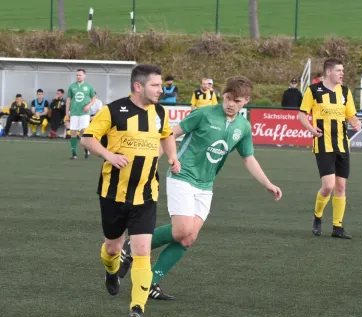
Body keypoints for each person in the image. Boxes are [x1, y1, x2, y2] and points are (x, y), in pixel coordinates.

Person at [118, 76, 283, 300]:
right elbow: (171, 135)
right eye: (227, 98)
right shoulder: (204, 113)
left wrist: (267, 183)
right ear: (222, 95)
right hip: (182, 175)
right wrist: (149, 162)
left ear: (246, 101)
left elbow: (248, 158)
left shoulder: (243, 127)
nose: (231, 103)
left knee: (187, 238)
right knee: (181, 231)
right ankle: (131, 245)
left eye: (237, 100)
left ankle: (151, 282)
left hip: (205, 185)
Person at [80, 64, 180, 317]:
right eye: (155, 85)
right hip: (113, 194)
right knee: (112, 247)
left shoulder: (159, 112)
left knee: (142, 251)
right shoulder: (113, 110)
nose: (161, 90)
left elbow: (167, 135)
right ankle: (111, 271)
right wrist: (108, 155)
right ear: (138, 86)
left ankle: (137, 306)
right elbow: (87, 138)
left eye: (160, 85)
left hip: (146, 194)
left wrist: (172, 156)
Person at [297, 58, 362, 239]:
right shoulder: (313, 91)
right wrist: (311, 129)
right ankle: (317, 216)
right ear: (328, 72)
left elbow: (350, 115)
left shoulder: (345, 92)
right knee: (328, 186)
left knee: (341, 186)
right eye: (339, 70)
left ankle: (337, 227)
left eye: (343, 70)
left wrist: (355, 123)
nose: (342, 73)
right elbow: (301, 116)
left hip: (342, 144)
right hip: (323, 144)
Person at [66, 69, 96, 159]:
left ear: (84, 76)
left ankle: (86, 149)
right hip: (74, 112)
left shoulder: (89, 86)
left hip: (84, 113)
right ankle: (74, 153)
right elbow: (68, 100)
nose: (78, 76)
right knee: (73, 132)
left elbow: (93, 98)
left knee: (84, 131)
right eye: (77, 75)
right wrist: (67, 113)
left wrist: (89, 105)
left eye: (80, 75)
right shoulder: (72, 86)